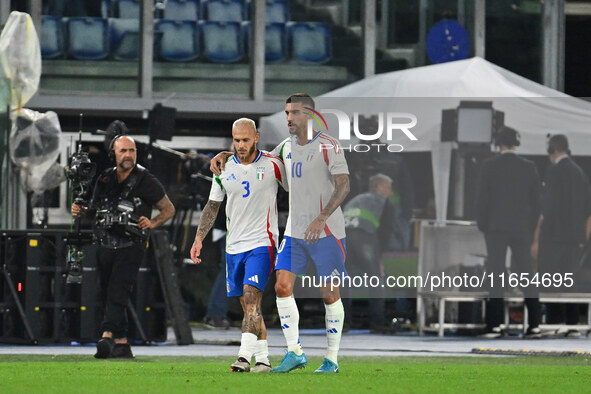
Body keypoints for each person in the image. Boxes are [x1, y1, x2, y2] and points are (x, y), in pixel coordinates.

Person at [211, 93, 350, 373]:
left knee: (329, 294)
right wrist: (227, 155)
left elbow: (344, 185)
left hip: (327, 232)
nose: (288, 118)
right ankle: (295, 352)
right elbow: (254, 159)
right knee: (282, 287)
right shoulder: (284, 148)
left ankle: (331, 359)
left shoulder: (329, 146)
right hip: (295, 233)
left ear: (309, 114)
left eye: (294, 113)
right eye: (286, 112)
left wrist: (322, 218)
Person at [190, 118, 287, 373]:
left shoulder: (273, 164)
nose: (241, 145)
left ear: (256, 137)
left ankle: (243, 357)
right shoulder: (223, 167)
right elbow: (213, 205)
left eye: (245, 140)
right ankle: (264, 360)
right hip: (233, 246)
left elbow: (295, 188)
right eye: (236, 140)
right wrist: (199, 238)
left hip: (262, 242)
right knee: (247, 308)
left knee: (251, 296)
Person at [72, 135, 175, 358]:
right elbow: (95, 209)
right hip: (105, 242)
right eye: (123, 151)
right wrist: (81, 210)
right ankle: (122, 343)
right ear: (114, 154)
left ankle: (107, 335)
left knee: (118, 289)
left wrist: (152, 223)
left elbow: (168, 209)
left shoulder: (146, 179)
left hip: (132, 243)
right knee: (105, 289)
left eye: (131, 150)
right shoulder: (105, 178)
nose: (128, 155)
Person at [476, 126, 542, 338]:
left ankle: (494, 325)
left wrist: (483, 224)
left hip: (496, 228)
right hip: (521, 228)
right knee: (527, 274)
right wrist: (529, 227)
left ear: (498, 144)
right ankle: (534, 324)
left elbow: (482, 200)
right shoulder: (529, 167)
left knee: (495, 273)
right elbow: (537, 202)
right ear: (516, 143)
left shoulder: (489, 166)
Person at [531, 134, 591, 337]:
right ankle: (573, 323)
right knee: (569, 281)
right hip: (574, 238)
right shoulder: (580, 172)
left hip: (553, 237)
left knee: (550, 279)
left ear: (553, 150)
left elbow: (546, 208)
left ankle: (555, 321)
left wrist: (537, 237)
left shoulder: (554, 171)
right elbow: (587, 209)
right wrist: (583, 237)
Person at [342, 173, 396, 332]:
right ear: (378, 187)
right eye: (388, 188)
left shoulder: (355, 200)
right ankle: (378, 322)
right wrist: (379, 258)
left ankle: (343, 322)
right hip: (365, 239)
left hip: (344, 239)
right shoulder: (384, 202)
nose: (390, 192)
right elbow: (386, 231)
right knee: (376, 280)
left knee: (344, 281)